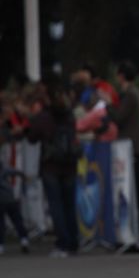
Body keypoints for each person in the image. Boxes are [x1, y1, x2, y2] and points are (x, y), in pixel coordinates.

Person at [26, 80, 80, 257]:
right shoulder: (70, 115)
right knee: (69, 204)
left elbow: (32, 137)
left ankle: (62, 243)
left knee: (56, 205)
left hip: (51, 165)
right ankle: (73, 241)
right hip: (70, 164)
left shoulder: (44, 117)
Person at [107, 61, 139, 241]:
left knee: (134, 191)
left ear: (121, 76)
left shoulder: (130, 95)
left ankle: (138, 231)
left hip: (132, 149)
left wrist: (108, 105)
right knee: (133, 190)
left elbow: (119, 117)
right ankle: (135, 229)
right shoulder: (133, 93)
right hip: (134, 148)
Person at [0, 160, 30, 255]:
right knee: (17, 221)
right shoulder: (4, 170)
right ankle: (24, 240)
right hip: (11, 199)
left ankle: (1, 245)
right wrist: (24, 178)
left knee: (1, 224)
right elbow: (18, 172)